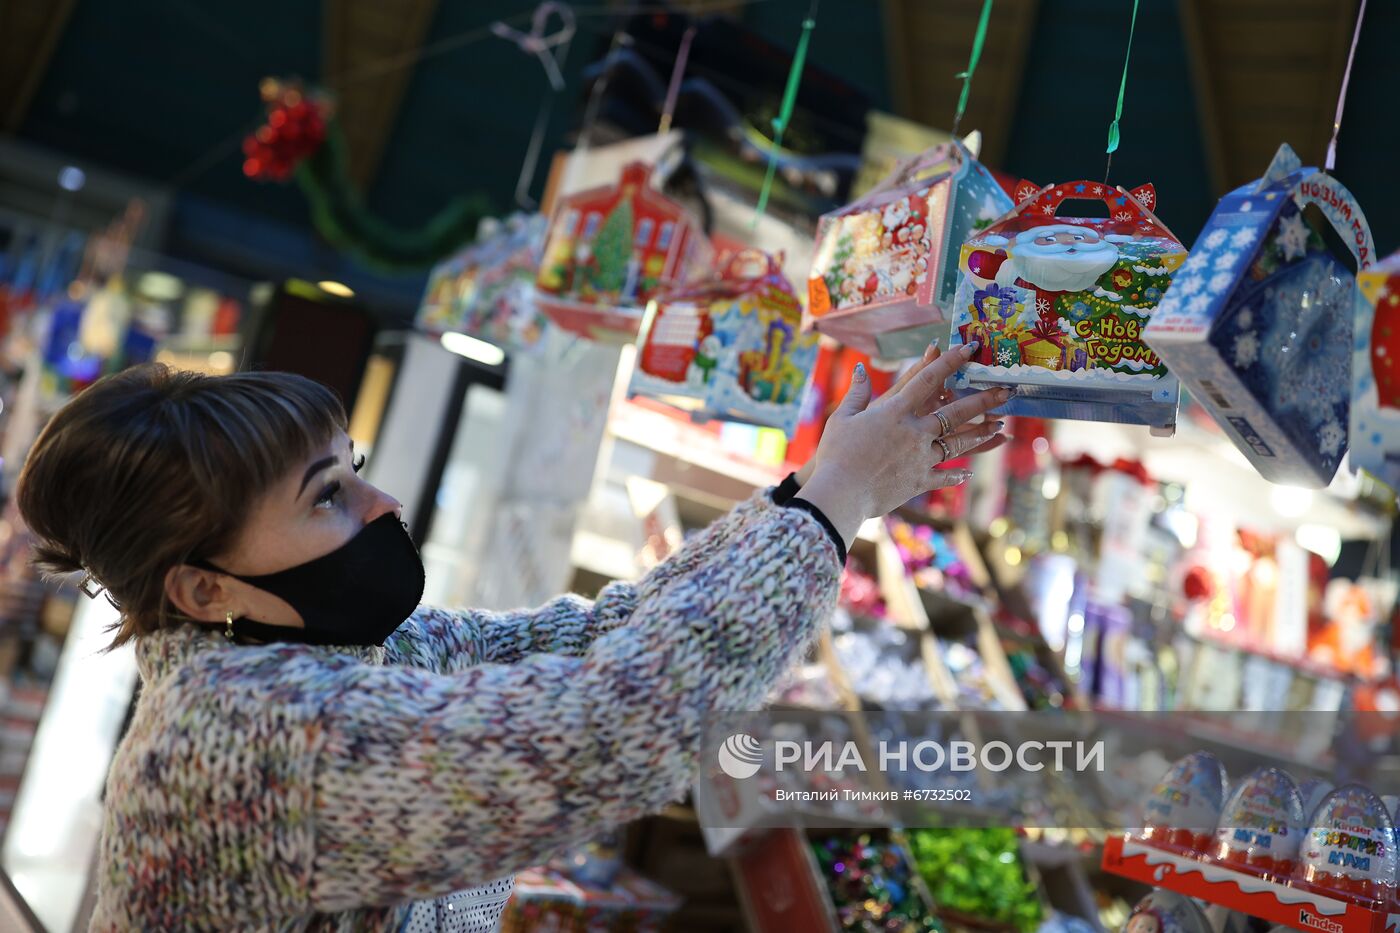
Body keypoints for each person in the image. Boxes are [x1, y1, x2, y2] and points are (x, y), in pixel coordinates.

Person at [17, 341, 1007, 931]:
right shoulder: (248, 734)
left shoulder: (321, 651)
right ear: (197, 586)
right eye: (328, 496)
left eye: (354, 469)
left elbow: (595, 641)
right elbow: (609, 727)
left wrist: (817, 494)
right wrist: (830, 506)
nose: (384, 501)